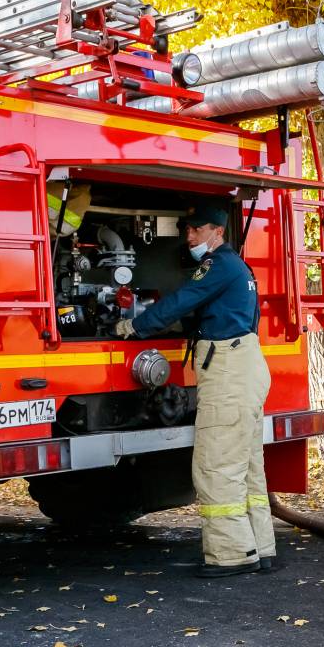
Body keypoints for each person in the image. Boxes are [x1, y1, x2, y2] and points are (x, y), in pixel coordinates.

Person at [115, 201, 275, 578]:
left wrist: (136, 327)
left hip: (229, 372)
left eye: (198, 229)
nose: (190, 235)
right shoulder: (238, 266)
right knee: (248, 468)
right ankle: (260, 547)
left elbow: (183, 300)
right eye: (188, 229)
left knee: (217, 465)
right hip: (246, 367)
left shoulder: (218, 266)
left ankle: (232, 555)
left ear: (218, 232)